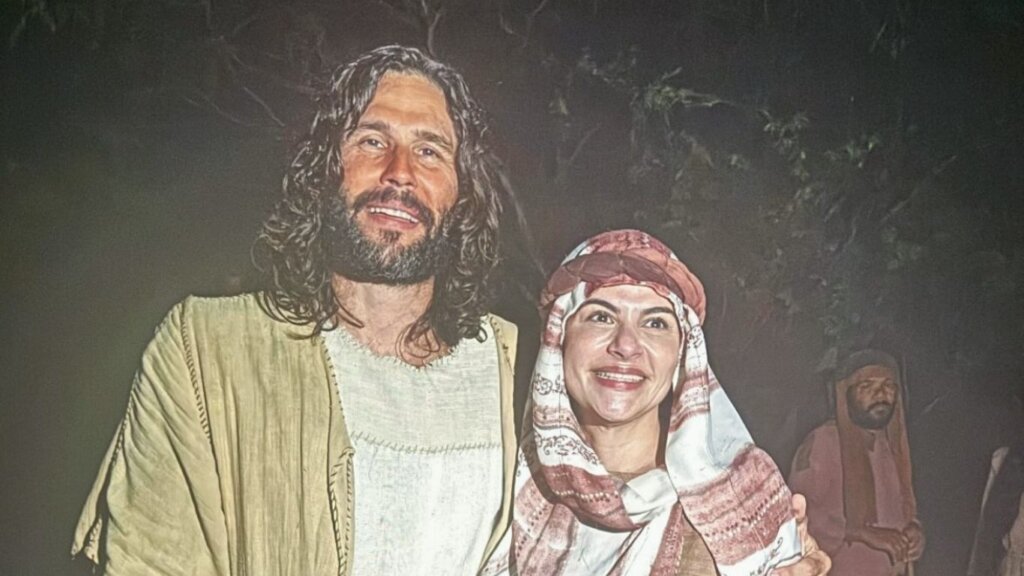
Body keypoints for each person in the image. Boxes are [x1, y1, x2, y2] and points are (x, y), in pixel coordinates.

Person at [72, 45, 521, 575]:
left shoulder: (516, 366)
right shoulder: (208, 351)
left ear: (463, 191)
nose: (399, 172)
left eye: (429, 151)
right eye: (372, 141)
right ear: (325, 168)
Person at [483, 229, 831, 576]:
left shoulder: (742, 496)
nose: (626, 345)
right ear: (558, 337)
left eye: (655, 323)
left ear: (682, 353)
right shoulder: (504, 490)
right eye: (601, 317)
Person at [789, 350, 925, 576]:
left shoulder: (891, 447)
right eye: (866, 387)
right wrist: (860, 532)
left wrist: (914, 531)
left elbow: (903, 511)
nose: (880, 395)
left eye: (888, 386)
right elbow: (794, 516)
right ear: (846, 394)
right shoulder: (823, 442)